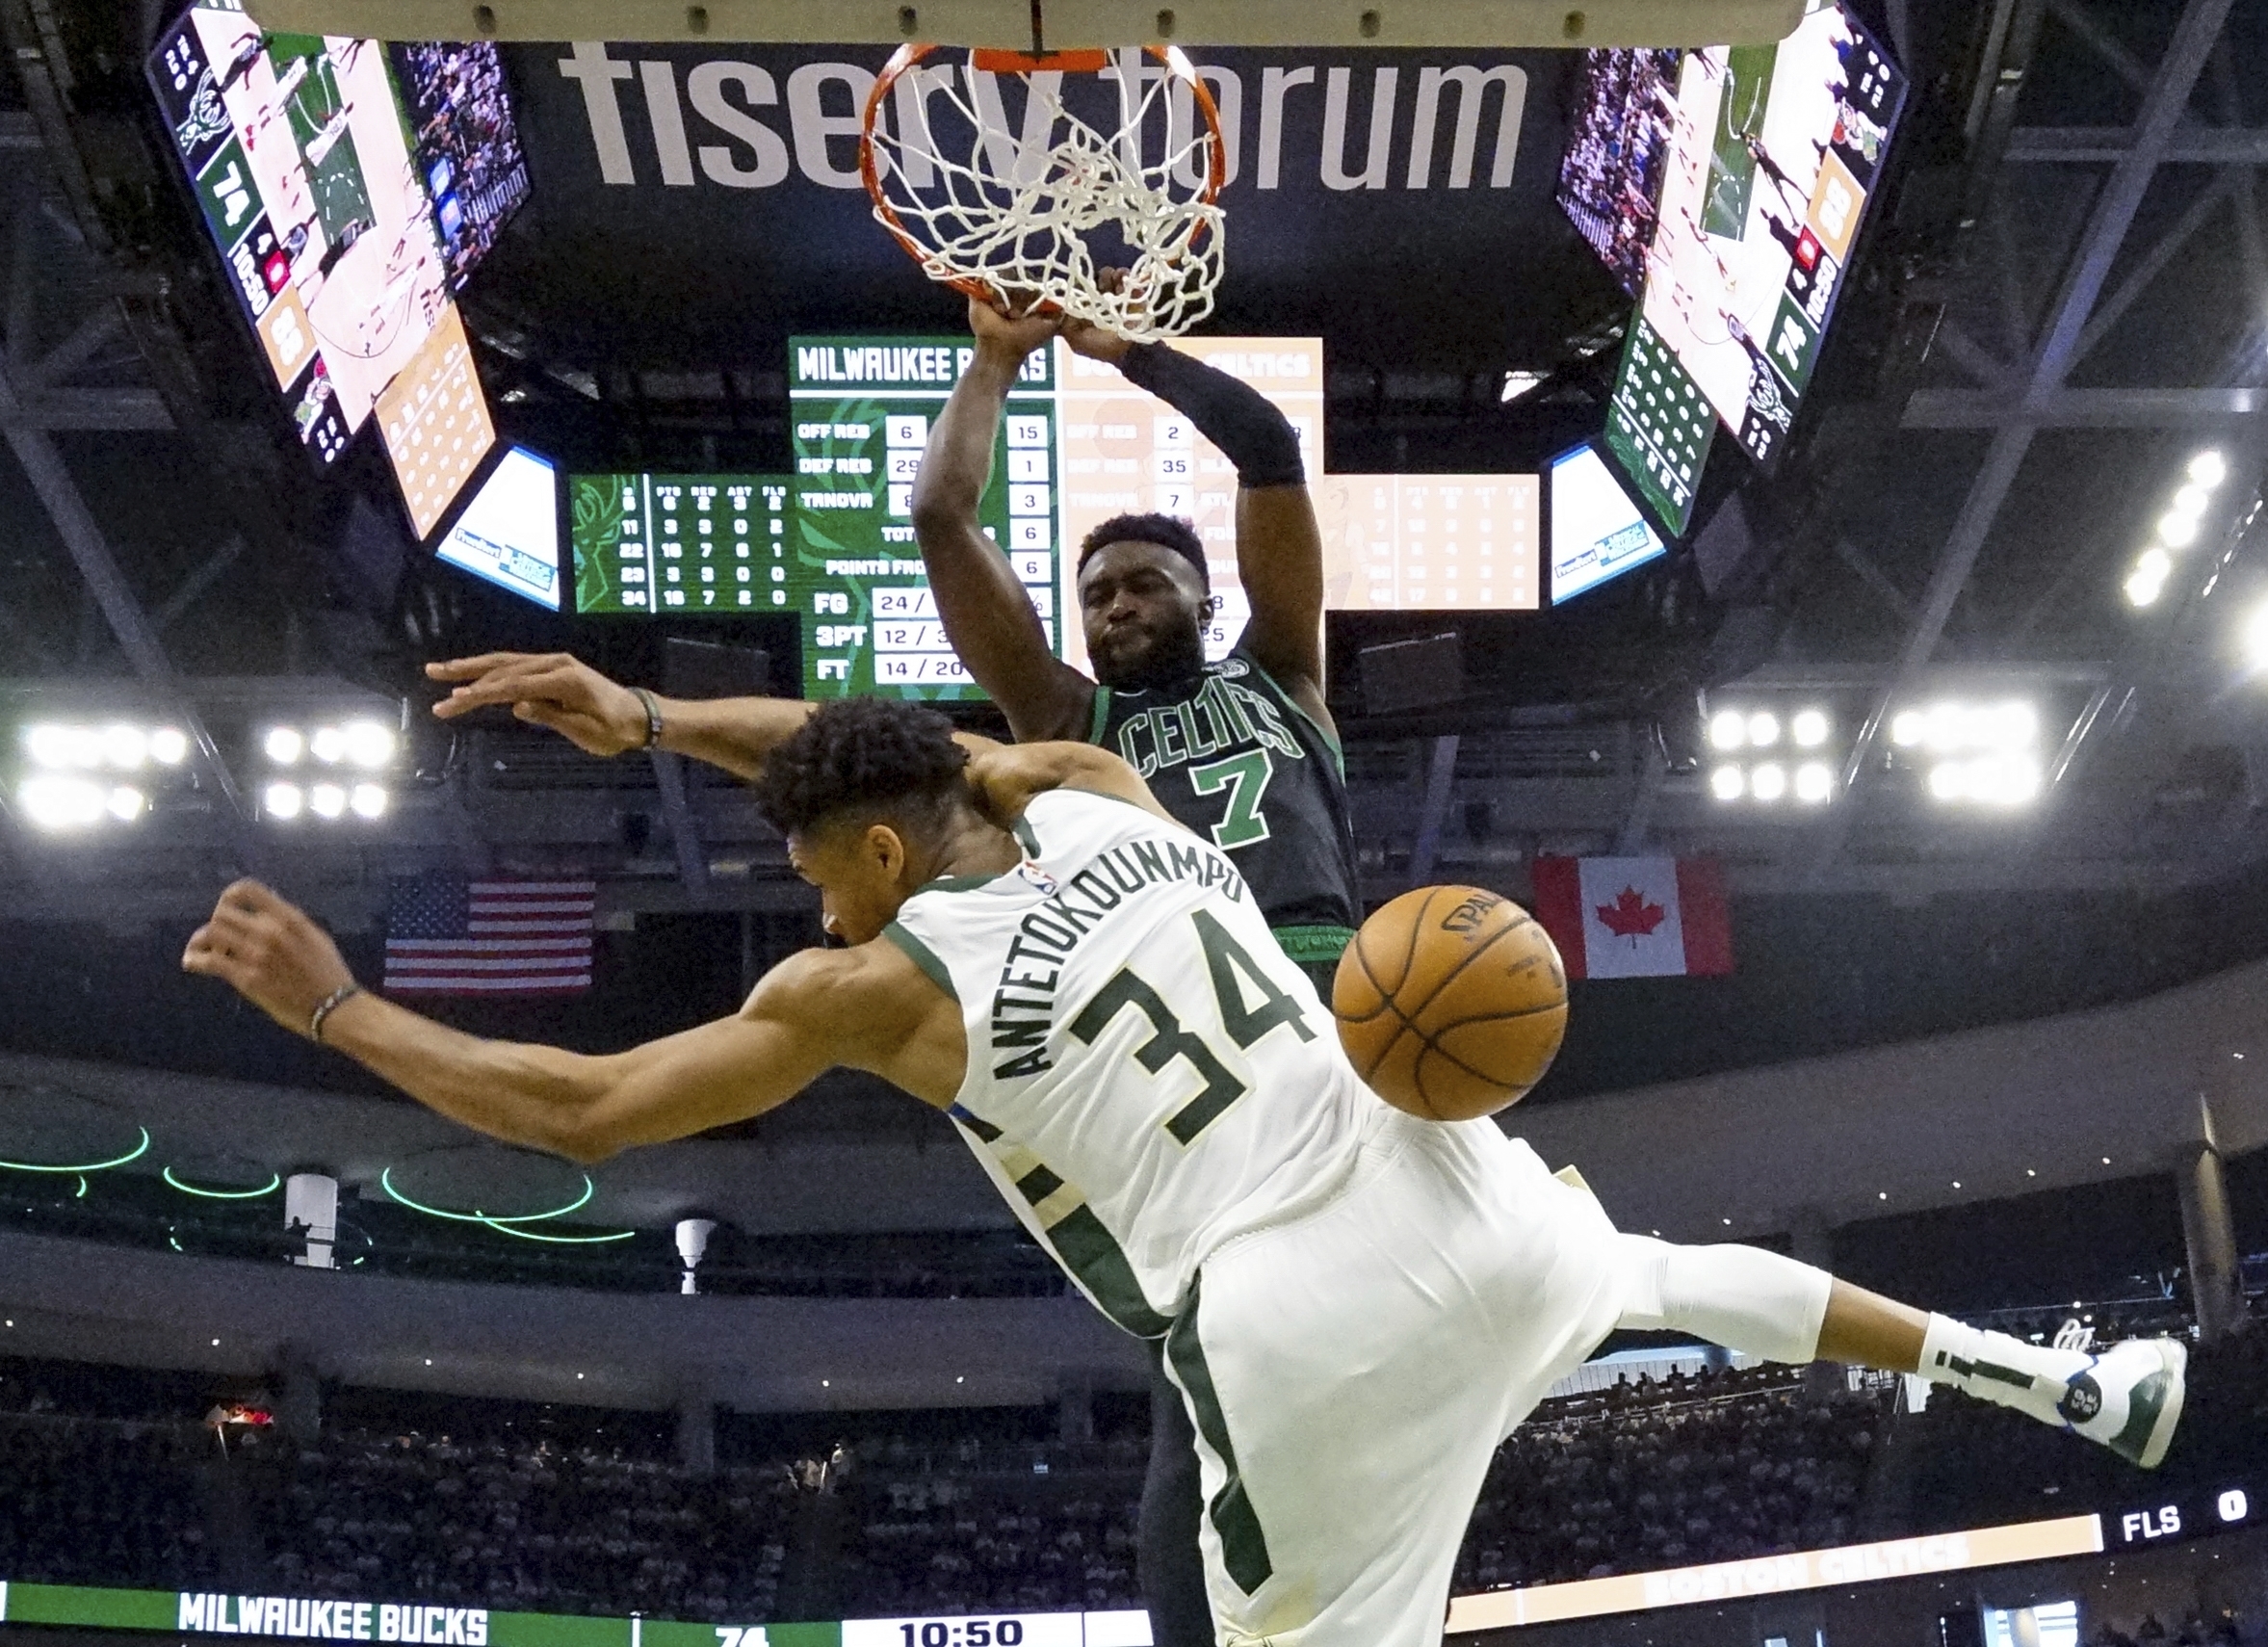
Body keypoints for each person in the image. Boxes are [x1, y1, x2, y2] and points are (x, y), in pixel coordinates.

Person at [184, 698, 2186, 1647]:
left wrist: (343, 1012)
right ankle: (2077, 1386)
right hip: (1449, 1179)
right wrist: (646, 722)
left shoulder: (865, 981)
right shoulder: (1085, 786)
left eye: (811, 862)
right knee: (1667, 1275)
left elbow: (583, 1110)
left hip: (1288, 1318)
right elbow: (870, 746)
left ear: (868, 865)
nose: (800, 887)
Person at [421, 288, 1363, 1647]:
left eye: (1146, 580)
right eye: (1096, 591)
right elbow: (934, 529)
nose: (1116, 601)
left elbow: (1270, 447)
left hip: (1321, 991)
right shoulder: (1058, 727)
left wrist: (1129, 354)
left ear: (1204, 597)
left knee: (1363, 1323)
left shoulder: (1283, 679)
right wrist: (987, 368)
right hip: (1167, 1059)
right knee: (1201, 1369)